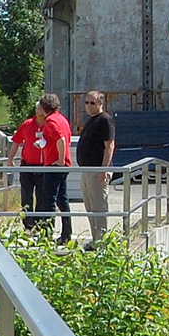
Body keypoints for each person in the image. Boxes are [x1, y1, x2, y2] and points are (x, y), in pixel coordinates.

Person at [10, 93, 73, 244]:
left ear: (44, 108)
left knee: (48, 201)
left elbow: (61, 140)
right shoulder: (62, 119)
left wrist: (59, 160)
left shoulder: (51, 120)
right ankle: (66, 233)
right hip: (54, 164)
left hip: (54, 165)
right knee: (62, 200)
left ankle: (46, 235)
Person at [76, 91, 116, 248]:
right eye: (86, 102)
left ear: (100, 104)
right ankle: (95, 240)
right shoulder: (91, 121)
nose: (88, 106)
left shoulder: (105, 120)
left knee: (99, 207)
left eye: (92, 103)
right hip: (87, 170)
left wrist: (103, 169)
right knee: (90, 207)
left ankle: (102, 243)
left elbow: (110, 145)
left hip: (97, 170)